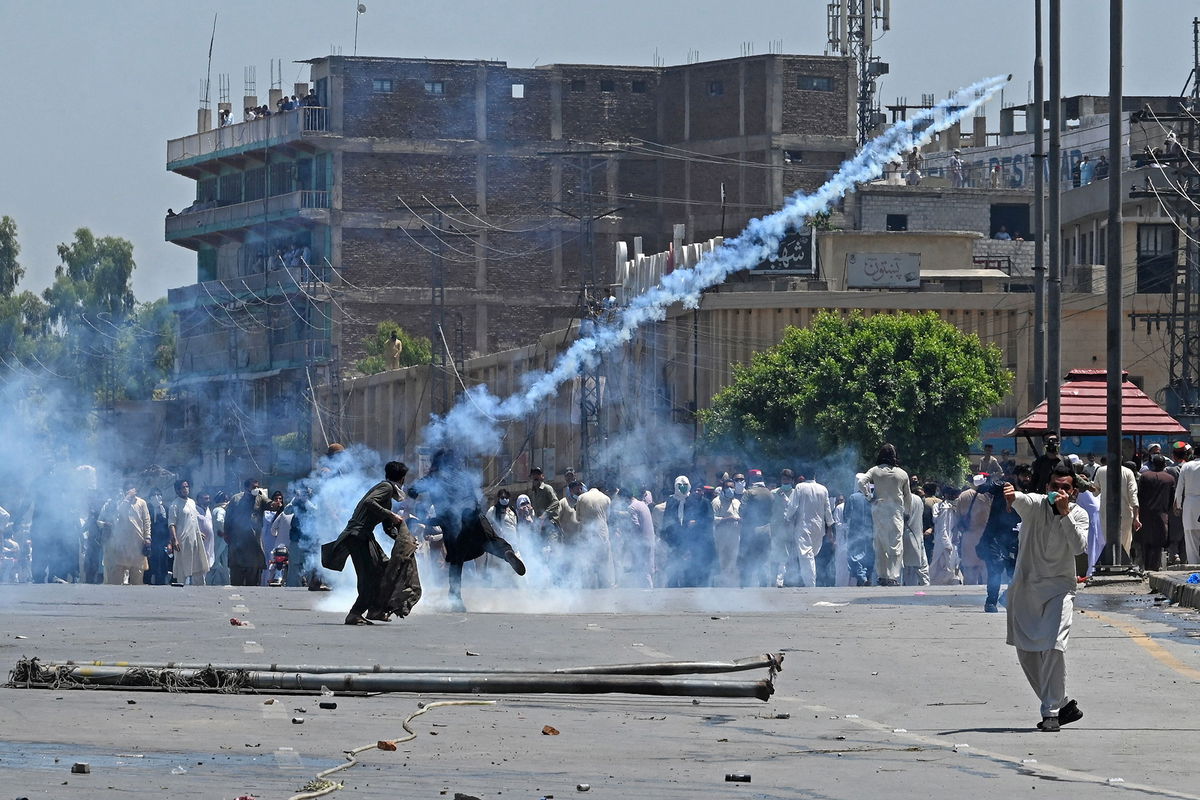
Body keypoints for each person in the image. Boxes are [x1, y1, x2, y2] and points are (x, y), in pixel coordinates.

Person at [1001, 464, 1088, 732]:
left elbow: (1078, 548)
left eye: (1065, 488)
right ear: (1047, 488)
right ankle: (1061, 703)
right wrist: (1010, 494)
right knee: (1026, 650)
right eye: (1055, 487)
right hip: (1026, 587)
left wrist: (1064, 516)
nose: (1059, 492)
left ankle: (1050, 712)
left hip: (1060, 588)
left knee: (1054, 644)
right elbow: (1021, 499)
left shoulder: (1079, 514)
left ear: (1073, 492)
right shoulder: (1036, 504)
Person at [409, 450, 525, 611]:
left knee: (457, 560)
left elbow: (412, 490)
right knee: (491, 541)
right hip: (475, 516)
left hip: (453, 523)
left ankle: (456, 598)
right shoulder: (463, 476)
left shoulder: (434, 478)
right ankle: (506, 553)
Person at [322, 461, 411, 625]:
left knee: (383, 569)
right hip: (358, 536)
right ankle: (355, 613)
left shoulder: (387, 495)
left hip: (364, 537)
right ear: (403, 478)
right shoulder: (386, 488)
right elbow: (369, 502)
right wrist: (391, 515)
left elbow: (388, 528)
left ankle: (376, 610)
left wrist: (406, 539)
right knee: (370, 576)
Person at [860, 444, 911, 586]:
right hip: (895, 512)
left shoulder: (874, 471)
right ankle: (893, 576)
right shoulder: (902, 473)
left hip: (879, 511)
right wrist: (907, 513)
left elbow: (861, 481)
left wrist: (869, 497)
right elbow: (908, 497)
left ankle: (882, 576)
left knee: (880, 544)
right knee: (896, 544)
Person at [783, 474, 834, 588]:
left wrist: (787, 518)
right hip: (818, 527)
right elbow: (827, 509)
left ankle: (811, 585)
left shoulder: (800, 487)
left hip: (803, 526)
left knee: (807, 555)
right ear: (815, 476)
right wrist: (830, 526)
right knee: (811, 554)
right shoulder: (823, 489)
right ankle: (810, 582)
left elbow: (793, 505)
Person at [978, 475, 1019, 611]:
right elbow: (985, 487)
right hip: (994, 536)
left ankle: (1007, 597)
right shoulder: (1003, 489)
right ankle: (991, 602)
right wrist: (1003, 484)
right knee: (995, 567)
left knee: (1016, 572)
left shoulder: (1023, 494)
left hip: (1014, 537)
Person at [1093, 459, 1140, 565]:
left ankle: (1111, 565)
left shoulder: (1100, 471)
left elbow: (1095, 492)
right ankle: (1124, 566)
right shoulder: (1128, 472)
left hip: (1106, 513)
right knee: (1125, 543)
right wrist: (1136, 517)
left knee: (1108, 541)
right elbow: (1133, 495)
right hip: (1125, 513)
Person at [103, 482, 151, 585]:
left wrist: (147, 537)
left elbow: (146, 521)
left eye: (131, 489)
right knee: (117, 573)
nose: (130, 491)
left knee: (137, 573)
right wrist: (127, 498)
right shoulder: (120, 502)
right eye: (127, 489)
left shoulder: (141, 503)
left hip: (137, 542)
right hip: (121, 543)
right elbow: (120, 512)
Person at [226, 479, 271, 586]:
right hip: (238, 542)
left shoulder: (260, 498)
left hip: (254, 543)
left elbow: (270, 505)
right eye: (253, 487)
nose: (256, 489)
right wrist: (227, 533)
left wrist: (274, 503)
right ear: (246, 488)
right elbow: (228, 518)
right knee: (237, 576)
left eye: (257, 487)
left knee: (253, 577)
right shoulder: (236, 499)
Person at [1136, 454, 1175, 571]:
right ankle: (1155, 568)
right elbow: (1171, 498)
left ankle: (1146, 567)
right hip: (1161, 514)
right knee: (1158, 544)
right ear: (1164, 464)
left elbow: (1140, 495)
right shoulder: (1169, 479)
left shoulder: (1144, 477)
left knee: (1145, 543)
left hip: (1145, 514)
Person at [168, 479, 210, 586]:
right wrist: (174, 540)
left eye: (187, 487)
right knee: (183, 566)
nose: (186, 489)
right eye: (183, 487)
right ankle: (181, 589)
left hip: (195, 539)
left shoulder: (191, 502)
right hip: (182, 541)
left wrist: (198, 533)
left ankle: (200, 588)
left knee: (198, 565)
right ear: (177, 490)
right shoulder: (175, 504)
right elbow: (172, 524)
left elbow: (193, 520)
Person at [737, 470, 774, 587]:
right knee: (763, 558)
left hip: (751, 530)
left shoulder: (749, 492)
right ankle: (763, 584)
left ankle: (745, 584)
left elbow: (741, 510)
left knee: (746, 557)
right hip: (767, 529)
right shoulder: (769, 493)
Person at [574, 482, 615, 588]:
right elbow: (607, 517)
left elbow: (577, 518)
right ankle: (604, 586)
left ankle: (589, 588)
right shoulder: (606, 498)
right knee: (604, 563)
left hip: (586, 535)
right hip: (602, 534)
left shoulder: (581, 498)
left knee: (588, 563)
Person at [844, 476, 874, 586]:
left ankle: (862, 577)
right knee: (868, 556)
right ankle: (867, 576)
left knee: (855, 556)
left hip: (855, 532)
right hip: (870, 532)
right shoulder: (871, 497)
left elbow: (846, 516)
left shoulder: (853, 497)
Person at [711, 478, 741, 587]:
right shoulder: (716, 502)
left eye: (732, 487)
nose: (730, 489)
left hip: (735, 534)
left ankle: (731, 583)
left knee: (733, 558)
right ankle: (722, 583)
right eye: (727, 487)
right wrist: (727, 519)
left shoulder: (736, 502)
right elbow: (713, 519)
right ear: (723, 489)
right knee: (722, 558)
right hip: (721, 535)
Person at [1174, 445, 1200, 564]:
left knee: (1190, 537)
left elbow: (1179, 488)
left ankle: (1194, 565)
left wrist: (1178, 505)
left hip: (1190, 504)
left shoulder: (1186, 466)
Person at [902, 485, 930, 586]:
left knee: (904, 565)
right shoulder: (918, 500)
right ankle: (925, 585)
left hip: (905, 534)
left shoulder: (902, 499)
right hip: (917, 535)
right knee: (921, 564)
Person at [207, 491, 231, 586]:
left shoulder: (216, 509)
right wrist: (224, 532)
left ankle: (225, 581)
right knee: (215, 562)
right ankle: (210, 582)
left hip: (222, 540)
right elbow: (219, 521)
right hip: (220, 539)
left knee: (223, 561)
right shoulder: (220, 510)